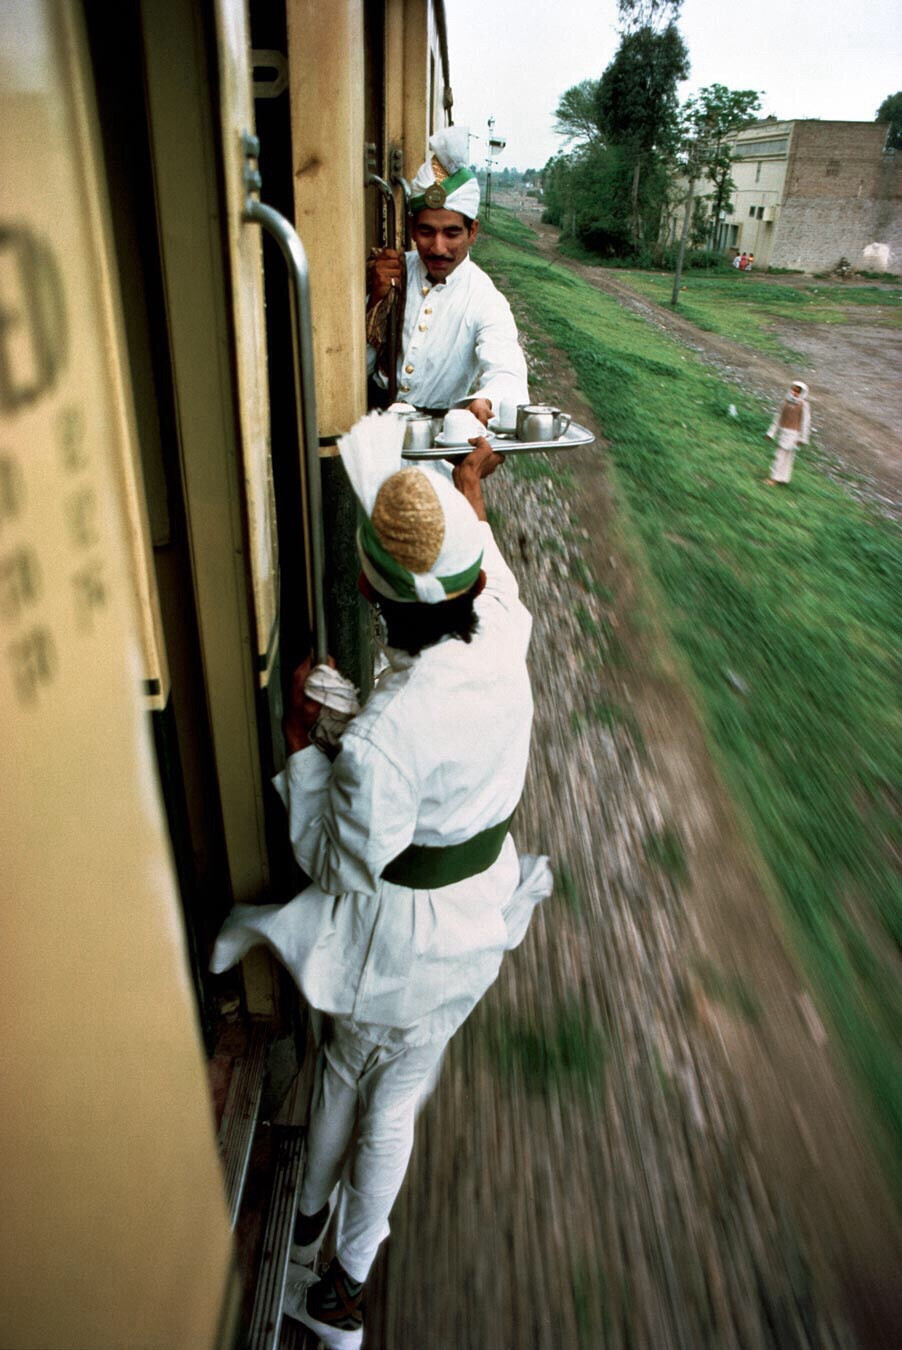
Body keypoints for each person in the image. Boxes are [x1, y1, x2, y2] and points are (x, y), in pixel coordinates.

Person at [211, 412, 551, 1348]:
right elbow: (479, 561)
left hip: (399, 945)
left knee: (342, 1075)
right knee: (397, 1098)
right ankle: (343, 1289)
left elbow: (336, 860)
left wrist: (301, 755)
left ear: (367, 588)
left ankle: (310, 1237)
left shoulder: (379, 738)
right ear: (473, 575)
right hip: (477, 922)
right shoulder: (506, 628)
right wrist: (471, 490)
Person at [366, 126, 529, 425]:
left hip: (438, 448)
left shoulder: (484, 299)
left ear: (473, 232)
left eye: (452, 232)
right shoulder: (390, 273)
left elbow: (509, 374)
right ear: (413, 228)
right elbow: (353, 369)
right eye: (427, 232)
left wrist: (487, 399)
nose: (438, 248)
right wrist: (375, 301)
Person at [764, 380, 811, 485]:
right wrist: (771, 433)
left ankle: (775, 478)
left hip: (793, 435)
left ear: (802, 393)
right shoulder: (785, 401)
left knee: (783, 456)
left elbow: (805, 422)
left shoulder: (803, 405)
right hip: (783, 432)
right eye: (794, 390)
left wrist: (802, 438)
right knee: (782, 455)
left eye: (798, 392)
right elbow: (778, 418)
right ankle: (781, 478)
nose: (795, 393)